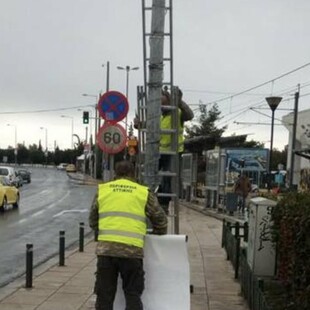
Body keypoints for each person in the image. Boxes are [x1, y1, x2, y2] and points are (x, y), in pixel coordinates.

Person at [89, 160, 168, 310]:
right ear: (134, 173)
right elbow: (160, 220)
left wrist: (102, 232)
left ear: (115, 174)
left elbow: (93, 220)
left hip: (106, 252)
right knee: (132, 294)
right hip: (132, 252)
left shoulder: (104, 190)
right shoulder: (142, 192)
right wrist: (158, 232)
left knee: (104, 296)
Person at [134, 88, 194, 211]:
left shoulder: (177, 112)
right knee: (150, 175)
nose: (159, 102)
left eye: (162, 98)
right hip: (159, 152)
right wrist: (139, 124)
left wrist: (179, 102)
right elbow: (151, 126)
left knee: (167, 179)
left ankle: (163, 205)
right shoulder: (160, 116)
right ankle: (148, 200)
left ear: (168, 100)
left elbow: (189, 115)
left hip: (173, 152)